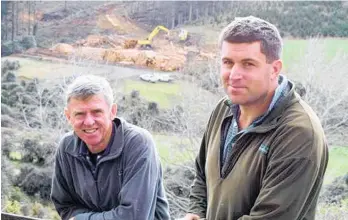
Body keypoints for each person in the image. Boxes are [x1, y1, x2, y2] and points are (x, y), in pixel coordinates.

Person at [184, 16, 328, 220]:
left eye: (248, 64)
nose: (234, 74)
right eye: (228, 62)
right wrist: (195, 213)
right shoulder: (224, 109)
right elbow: (202, 175)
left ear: (275, 69)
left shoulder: (299, 133)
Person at [51, 75, 170, 220]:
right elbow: (64, 205)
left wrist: (82, 219)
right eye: (80, 114)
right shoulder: (67, 147)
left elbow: (133, 216)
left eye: (97, 112)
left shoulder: (138, 143)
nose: (88, 122)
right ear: (68, 116)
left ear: (112, 111)